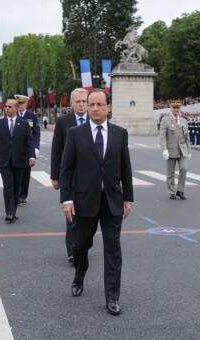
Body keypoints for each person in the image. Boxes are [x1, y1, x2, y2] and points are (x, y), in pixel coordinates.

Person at [59, 89, 133, 316]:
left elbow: (125, 167)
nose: (95, 108)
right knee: (80, 245)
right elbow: (66, 169)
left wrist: (128, 197)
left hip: (112, 200)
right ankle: (80, 274)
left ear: (108, 107)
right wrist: (67, 200)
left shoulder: (120, 133)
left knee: (113, 249)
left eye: (100, 104)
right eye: (91, 105)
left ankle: (112, 296)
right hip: (84, 200)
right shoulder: (75, 133)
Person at [50, 88, 88, 264]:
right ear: (71, 103)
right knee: (72, 215)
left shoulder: (96, 120)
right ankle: (72, 250)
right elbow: (56, 150)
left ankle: (82, 245)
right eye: (78, 101)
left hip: (90, 176)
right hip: (70, 175)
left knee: (87, 216)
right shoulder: (63, 121)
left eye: (84, 101)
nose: (81, 104)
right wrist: (55, 176)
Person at [0, 99, 36, 223]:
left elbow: (29, 141)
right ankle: (9, 212)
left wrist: (32, 156)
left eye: (9, 106)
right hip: (4, 160)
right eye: (6, 106)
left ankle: (13, 210)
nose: (7, 108)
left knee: (16, 187)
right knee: (8, 185)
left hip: (20, 160)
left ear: (16, 108)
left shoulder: (24, 124)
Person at [159, 100, 191, 200]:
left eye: (178, 108)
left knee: (184, 168)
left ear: (180, 109)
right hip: (171, 150)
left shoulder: (184, 121)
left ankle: (180, 190)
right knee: (170, 173)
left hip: (183, 149)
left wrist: (189, 151)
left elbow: (187, 137)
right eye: (174, 108)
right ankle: (172, 191)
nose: (176, 110)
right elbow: (162, 136)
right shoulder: (165, 120)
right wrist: (164, 149)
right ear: (171, 109)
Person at [14, 94, 40, 204]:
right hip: (15, 149)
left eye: (21, 103)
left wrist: (35, 147)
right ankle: (16, 193)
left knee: (25, 173)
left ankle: (22, 195)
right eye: (18, 103)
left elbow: (36, 132)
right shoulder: (13, 114)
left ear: (26, 104)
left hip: (28, 149)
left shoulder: (32, 116)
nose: (19, 105)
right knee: (15, 172)